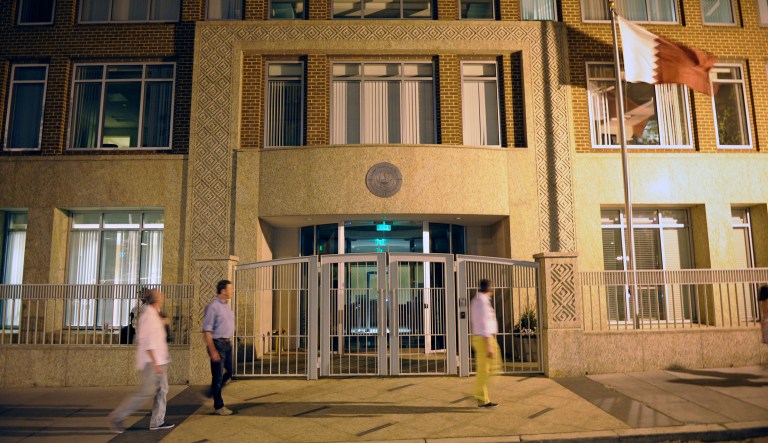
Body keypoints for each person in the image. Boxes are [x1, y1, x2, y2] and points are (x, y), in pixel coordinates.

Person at [108, 289, 174, 433]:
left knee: (162, 390)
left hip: (160, 360)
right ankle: (118, 417)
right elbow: (145, 340)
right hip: (152, 361)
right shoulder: (147, 316)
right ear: (155, 298)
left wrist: (164, 321)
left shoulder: (154, 313)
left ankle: (157, 421)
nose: (162, 296)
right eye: (159, 295)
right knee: (146, 392)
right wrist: (155, 362)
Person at [204, 279, 235, 416]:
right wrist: (212, 350)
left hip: (227, 343)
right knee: (217, 377)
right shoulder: (213, 307)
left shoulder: (226, 305)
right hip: (218, 344)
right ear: (223, 291)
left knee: (230, 371)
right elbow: (207, 330)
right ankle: (219, 406)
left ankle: (213, 391)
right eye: (230, 289)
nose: (232, 291)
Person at [470, 279, 501, 408]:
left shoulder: (476, 300)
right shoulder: (482, 302)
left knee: (486, 369)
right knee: (490, 368)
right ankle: (479, 394)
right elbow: (483, 323)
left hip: (481, 338)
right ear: (490, 289)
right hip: (485, 339)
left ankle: (482, 398)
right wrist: (488, 344)